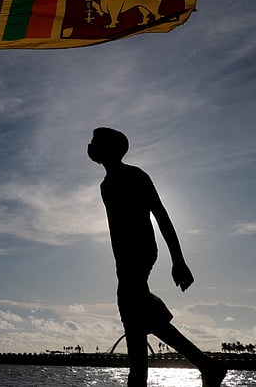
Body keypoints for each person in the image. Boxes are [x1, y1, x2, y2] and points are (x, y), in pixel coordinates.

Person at [87, 127, 227, 387]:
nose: (91, 146)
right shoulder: (105, 185)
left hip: (140, 254)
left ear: (112, 148)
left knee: (132, 318)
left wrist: (179, 260)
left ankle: (141, 379)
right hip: (124, 260)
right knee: (137, 320)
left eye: (96, 141)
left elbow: (161, 215)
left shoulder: (135, 176)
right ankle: (207, 366)